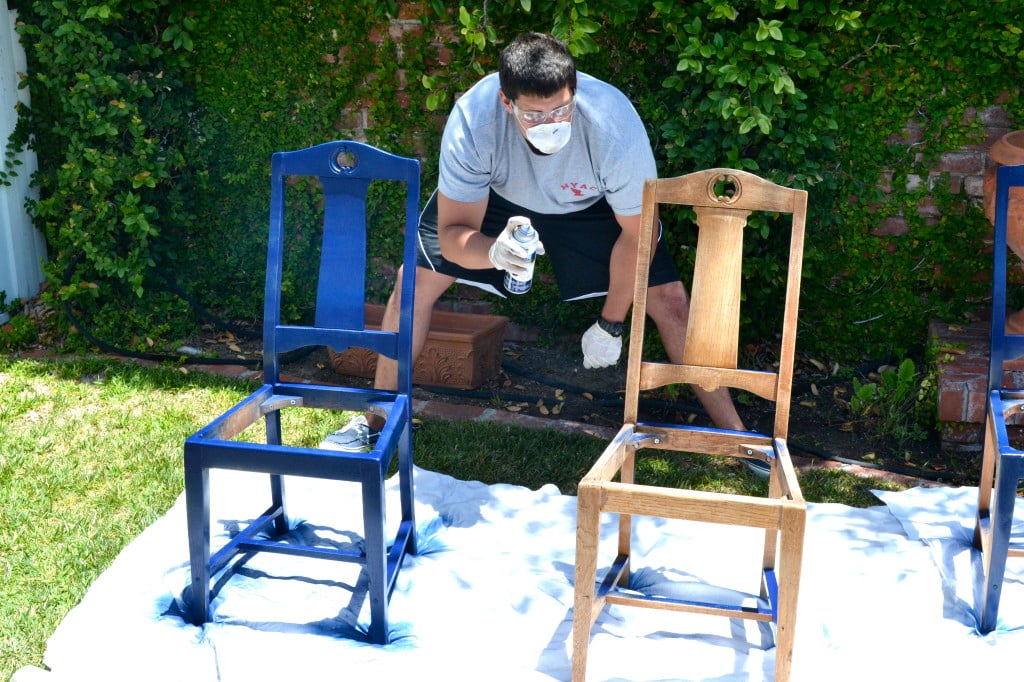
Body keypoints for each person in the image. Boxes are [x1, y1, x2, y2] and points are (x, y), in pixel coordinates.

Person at [323, 32, 764, 475]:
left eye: (561, 108)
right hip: (497, 197)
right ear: (505, 101)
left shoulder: (614, 127)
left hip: (589, 202)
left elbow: (639, 235)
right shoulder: (474, 120)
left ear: (575, 90)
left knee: (670, 301)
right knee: (411, 284)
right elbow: (455, 231)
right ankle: (376, 424)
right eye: (534, 114)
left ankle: (739, 439)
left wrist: (611, 323)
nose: (550, 121)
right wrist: (493, 252)